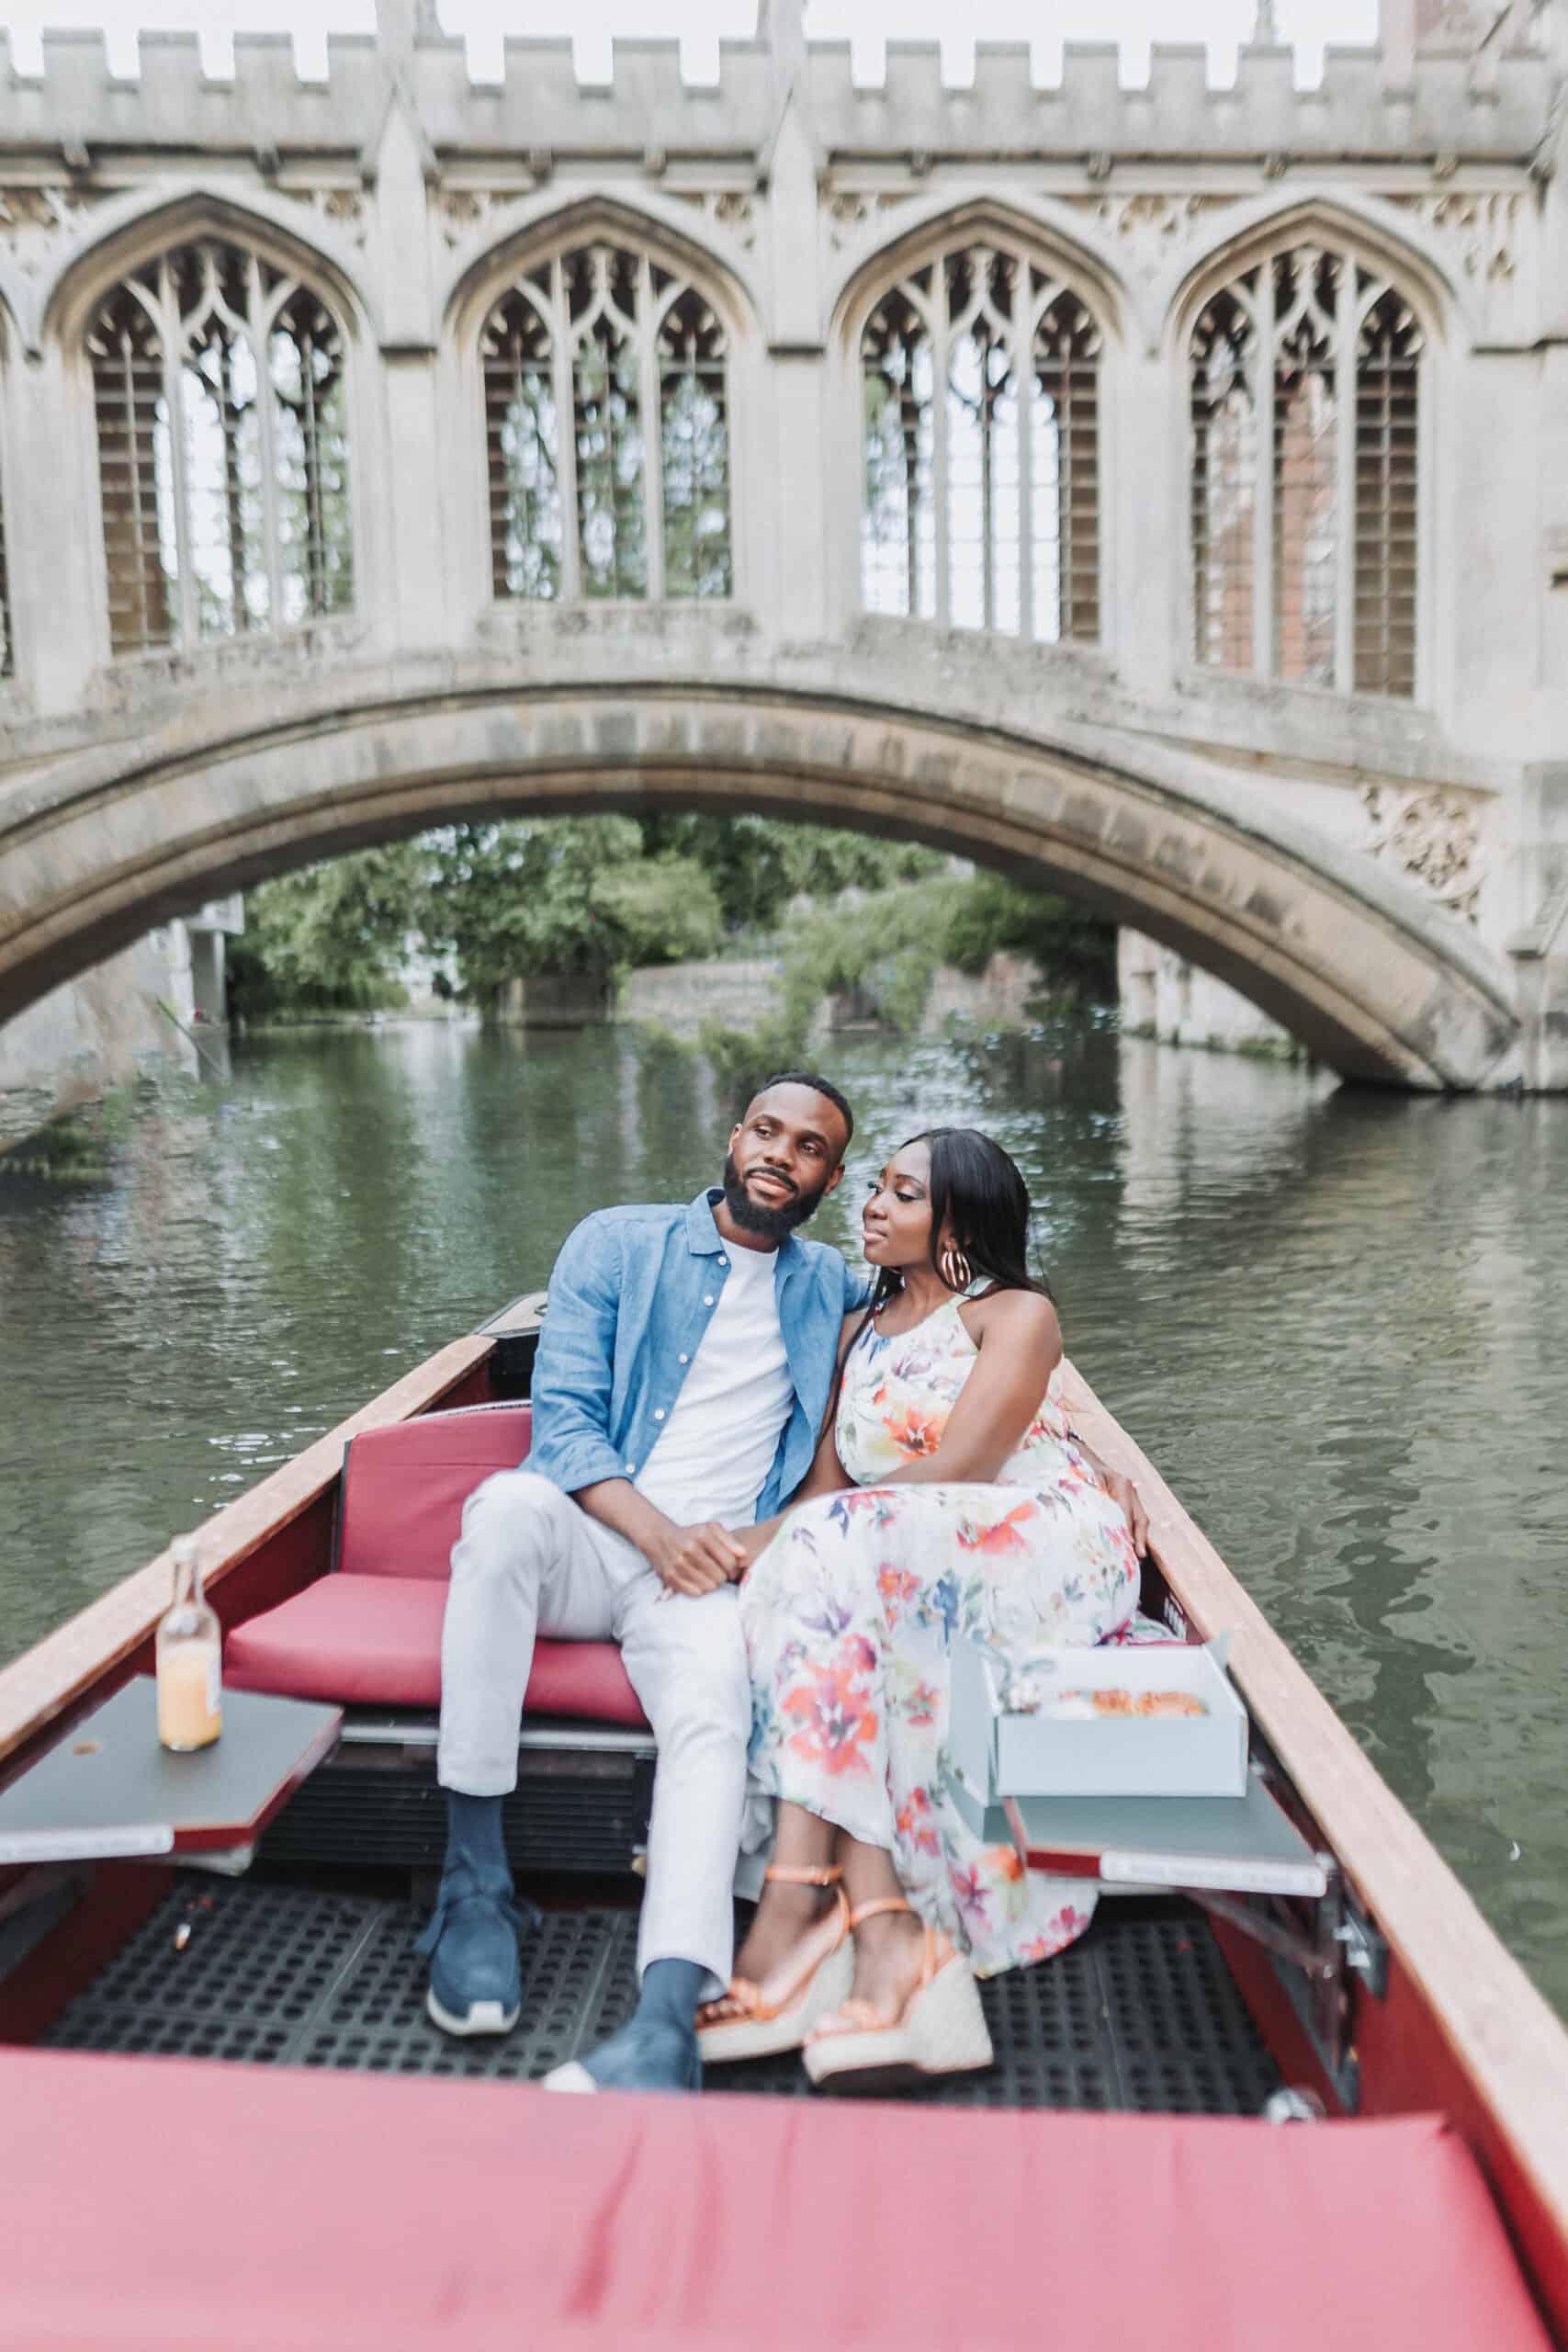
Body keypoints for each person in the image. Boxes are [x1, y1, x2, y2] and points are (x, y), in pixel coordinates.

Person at [419, 1071, 866, 2094]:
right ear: (733, 1132)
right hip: (594, 1534)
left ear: (829, 1178)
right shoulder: (617, 1242)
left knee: (715, 1711)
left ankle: (667, 2013)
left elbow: (961, 1314)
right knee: (499, 1510)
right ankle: (475, 1885)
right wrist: (660, 1535)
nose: (778, 1154)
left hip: (706, 1579)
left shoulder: (833, 1279)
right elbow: (563, 1424)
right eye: (766, 1130)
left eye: (807, 1148)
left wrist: (1078, 1441)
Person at [697, 1126, 1152, 2093]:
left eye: (903, 1194)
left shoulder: (1014, 1315)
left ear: (958, 1221)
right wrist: (738, 1547)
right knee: (808, 1572)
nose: (873, 1204)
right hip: (890, 1545)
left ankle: (793, 1908)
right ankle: (885, 1925)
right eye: (877, 1186)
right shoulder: (859, 1332)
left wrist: (804, 1543)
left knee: (827, 1559)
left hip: (1034, 1533)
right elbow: (825, 1491)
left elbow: (965, 1469)